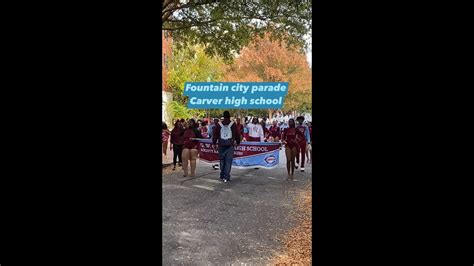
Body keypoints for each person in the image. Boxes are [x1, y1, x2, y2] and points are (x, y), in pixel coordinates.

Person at [212, 111, 241, 183]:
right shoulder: (233, 124)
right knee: (228, 161)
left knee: (222, 160)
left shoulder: (219, 125)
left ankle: (222, 175)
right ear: (229, 116)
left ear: (223, 116)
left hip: (221, 145)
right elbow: (237, 134)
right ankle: (226, 177)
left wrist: (214, 143)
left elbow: (215, 134)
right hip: (230, 145)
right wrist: (238, 142)